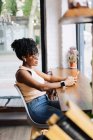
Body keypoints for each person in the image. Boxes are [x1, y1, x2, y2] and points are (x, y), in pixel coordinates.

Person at [11, 38, 76, 124]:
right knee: (67, 120)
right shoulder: (22, 73)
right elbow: (42, 87)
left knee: (71, 108)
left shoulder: (32, 69)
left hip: (45, 102)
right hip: (37, 108)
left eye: (36, 54)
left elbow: (49, 78)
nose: (36, 57)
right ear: (24, 57)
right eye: (32, 55)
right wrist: (65, 83)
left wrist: (67, 78)